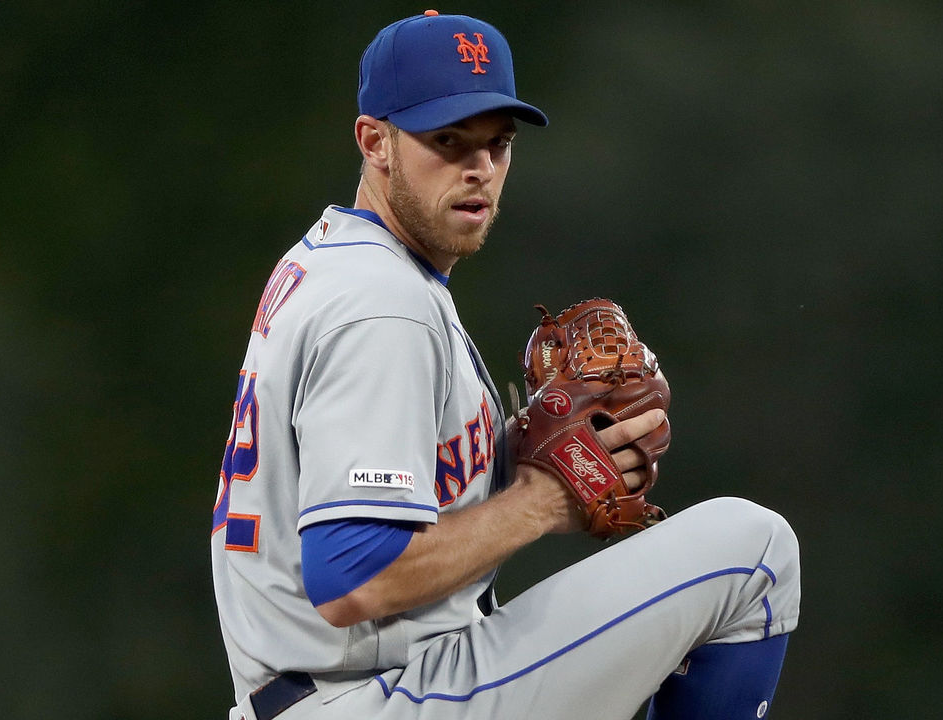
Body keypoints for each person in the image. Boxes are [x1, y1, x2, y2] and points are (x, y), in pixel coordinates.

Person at [210, 10, 800, 720]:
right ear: (376, 142)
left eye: (497, 144)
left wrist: (516, 458)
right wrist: (544, 498)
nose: (477, 168)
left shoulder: (339, 262)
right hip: (367, 699)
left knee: (653, 657)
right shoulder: (383, 304)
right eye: (446, 139)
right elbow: (353, 580)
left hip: (345, 690)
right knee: (754, 552)